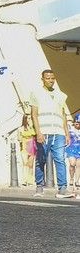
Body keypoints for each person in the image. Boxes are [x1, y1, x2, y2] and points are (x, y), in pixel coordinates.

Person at [28, 69, 73, 198]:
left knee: (60, 159)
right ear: (42, 79)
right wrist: (38, 132)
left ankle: (63, 189)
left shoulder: (61, 95)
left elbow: (63, 115)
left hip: (58, 132)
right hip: (44, 132)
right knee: (41, 160)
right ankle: (39, 187)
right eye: (47, 78)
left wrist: (67, 133)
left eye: (52, 78)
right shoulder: (36, 94)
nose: (51, 80)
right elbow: (34, 114)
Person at [66, 115, 80, 190]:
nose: (77, 124)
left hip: (79, 148)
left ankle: (77, 181)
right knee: (72, 164)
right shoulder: (70, 128)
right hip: (71, 148)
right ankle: (71, 178)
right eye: (76, 123)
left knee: (78, 165)